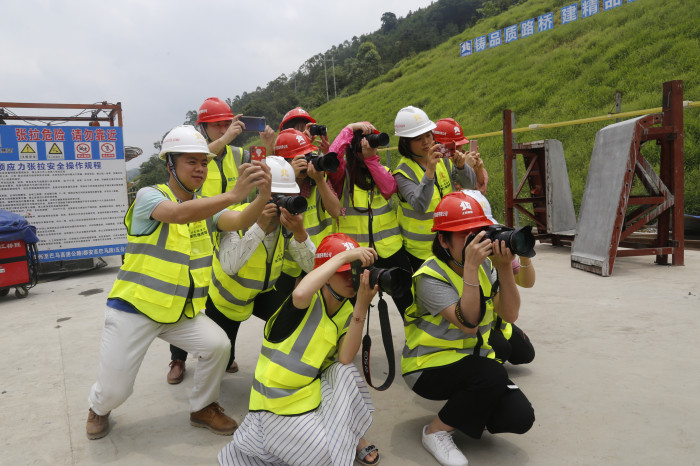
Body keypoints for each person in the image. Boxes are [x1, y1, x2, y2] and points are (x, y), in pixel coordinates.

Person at [86, 125, 272, 440]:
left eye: (204, 162)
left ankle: (203, 407)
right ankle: (97, 408)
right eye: (191, 161)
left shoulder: (207, 206)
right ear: (170, 164)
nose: (200, 168)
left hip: (178, 312)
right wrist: (233, 195)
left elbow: (240, 220)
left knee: (218, 345)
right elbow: (178, 214)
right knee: (115, 392)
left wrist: (263, 195)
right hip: (135, 309)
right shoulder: (149, 196)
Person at [218, 233, 380, 466]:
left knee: (346, 372)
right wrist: (345, 256)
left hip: (308, 394)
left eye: (353, 271)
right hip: (273, 405)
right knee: (323, 456)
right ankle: (339, 435)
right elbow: (300, 293)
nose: (350, 277)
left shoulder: (347, 310)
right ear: (325, 274)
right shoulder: (306, 299)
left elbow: (345, 358)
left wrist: (361, 307)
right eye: (343, 271)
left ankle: (354, 437)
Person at [402, 192, 534, 466]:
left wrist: (504, 267)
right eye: (466, 235)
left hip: (472, 362)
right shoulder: (430, 276)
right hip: (428, 367)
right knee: (492, 374)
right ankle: (435, 432)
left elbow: (510, 314)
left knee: (520, 417)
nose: (477, 241)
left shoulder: (486, 266)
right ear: (443, 240)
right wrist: (471, 268)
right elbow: (469, 323)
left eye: (480, 232)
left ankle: (466, 409)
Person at [167, 97, 277, 383]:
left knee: (225, 294)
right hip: (195, 227)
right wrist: (225, 139)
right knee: (187, 295)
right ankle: (177, 359)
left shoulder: (238, 154)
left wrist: (268, 147)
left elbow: (262, 170)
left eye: (227, 123)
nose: (223, 129)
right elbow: (201, 158)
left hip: (229, 226)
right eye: (216, 125)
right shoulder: (196, 155)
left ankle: (226, 353)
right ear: (202, 128)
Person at [207, 156, 316, 374]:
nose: (283, 204)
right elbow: (231, 266)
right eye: (277, 197)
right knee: (221, 360)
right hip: (227, 300)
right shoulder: (234, 217)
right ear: (260, 194)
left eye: (289, 197)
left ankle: (283, 367)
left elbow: (312, 266)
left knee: (295, 318)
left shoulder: (285, 225)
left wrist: (300, 233)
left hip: (261, 294)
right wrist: (259, 227)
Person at [326, 121, 414, 316]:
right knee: (352, 312)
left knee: (409, 304)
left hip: (390, 250)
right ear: (355, 147)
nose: (373, 145)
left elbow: (389, 189)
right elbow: (332, 157)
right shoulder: (343, 175)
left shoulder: (381, 169)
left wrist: (371, 160)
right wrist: (349, 129)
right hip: (356, 254)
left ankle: (416, 334)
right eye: (366, 141)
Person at [393, 107, 479, 273]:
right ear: (405, 142)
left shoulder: (443, 159)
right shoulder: (402, 173)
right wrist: (429, 172)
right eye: (418, 139)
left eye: (428, 135)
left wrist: (462, 167)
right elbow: (420, 205)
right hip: (421, 250)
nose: (426, 142)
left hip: (449, 243)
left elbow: (470, 184)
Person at [462, 189, 536, 365]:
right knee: (501, 351)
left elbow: (526, 282)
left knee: (526, 354)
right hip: (473, 325)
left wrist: (523, 253)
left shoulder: (496, 252)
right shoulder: (458, 259)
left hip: (497, 321)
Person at [274, 128, 340, 247]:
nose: (304, 162)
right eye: (298, 158)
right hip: (291, 257)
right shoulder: (275, 185)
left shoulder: (317, 178)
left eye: (306, 156)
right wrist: (289, 178)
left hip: (323, 253)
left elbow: (336, 212)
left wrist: (320, 180)